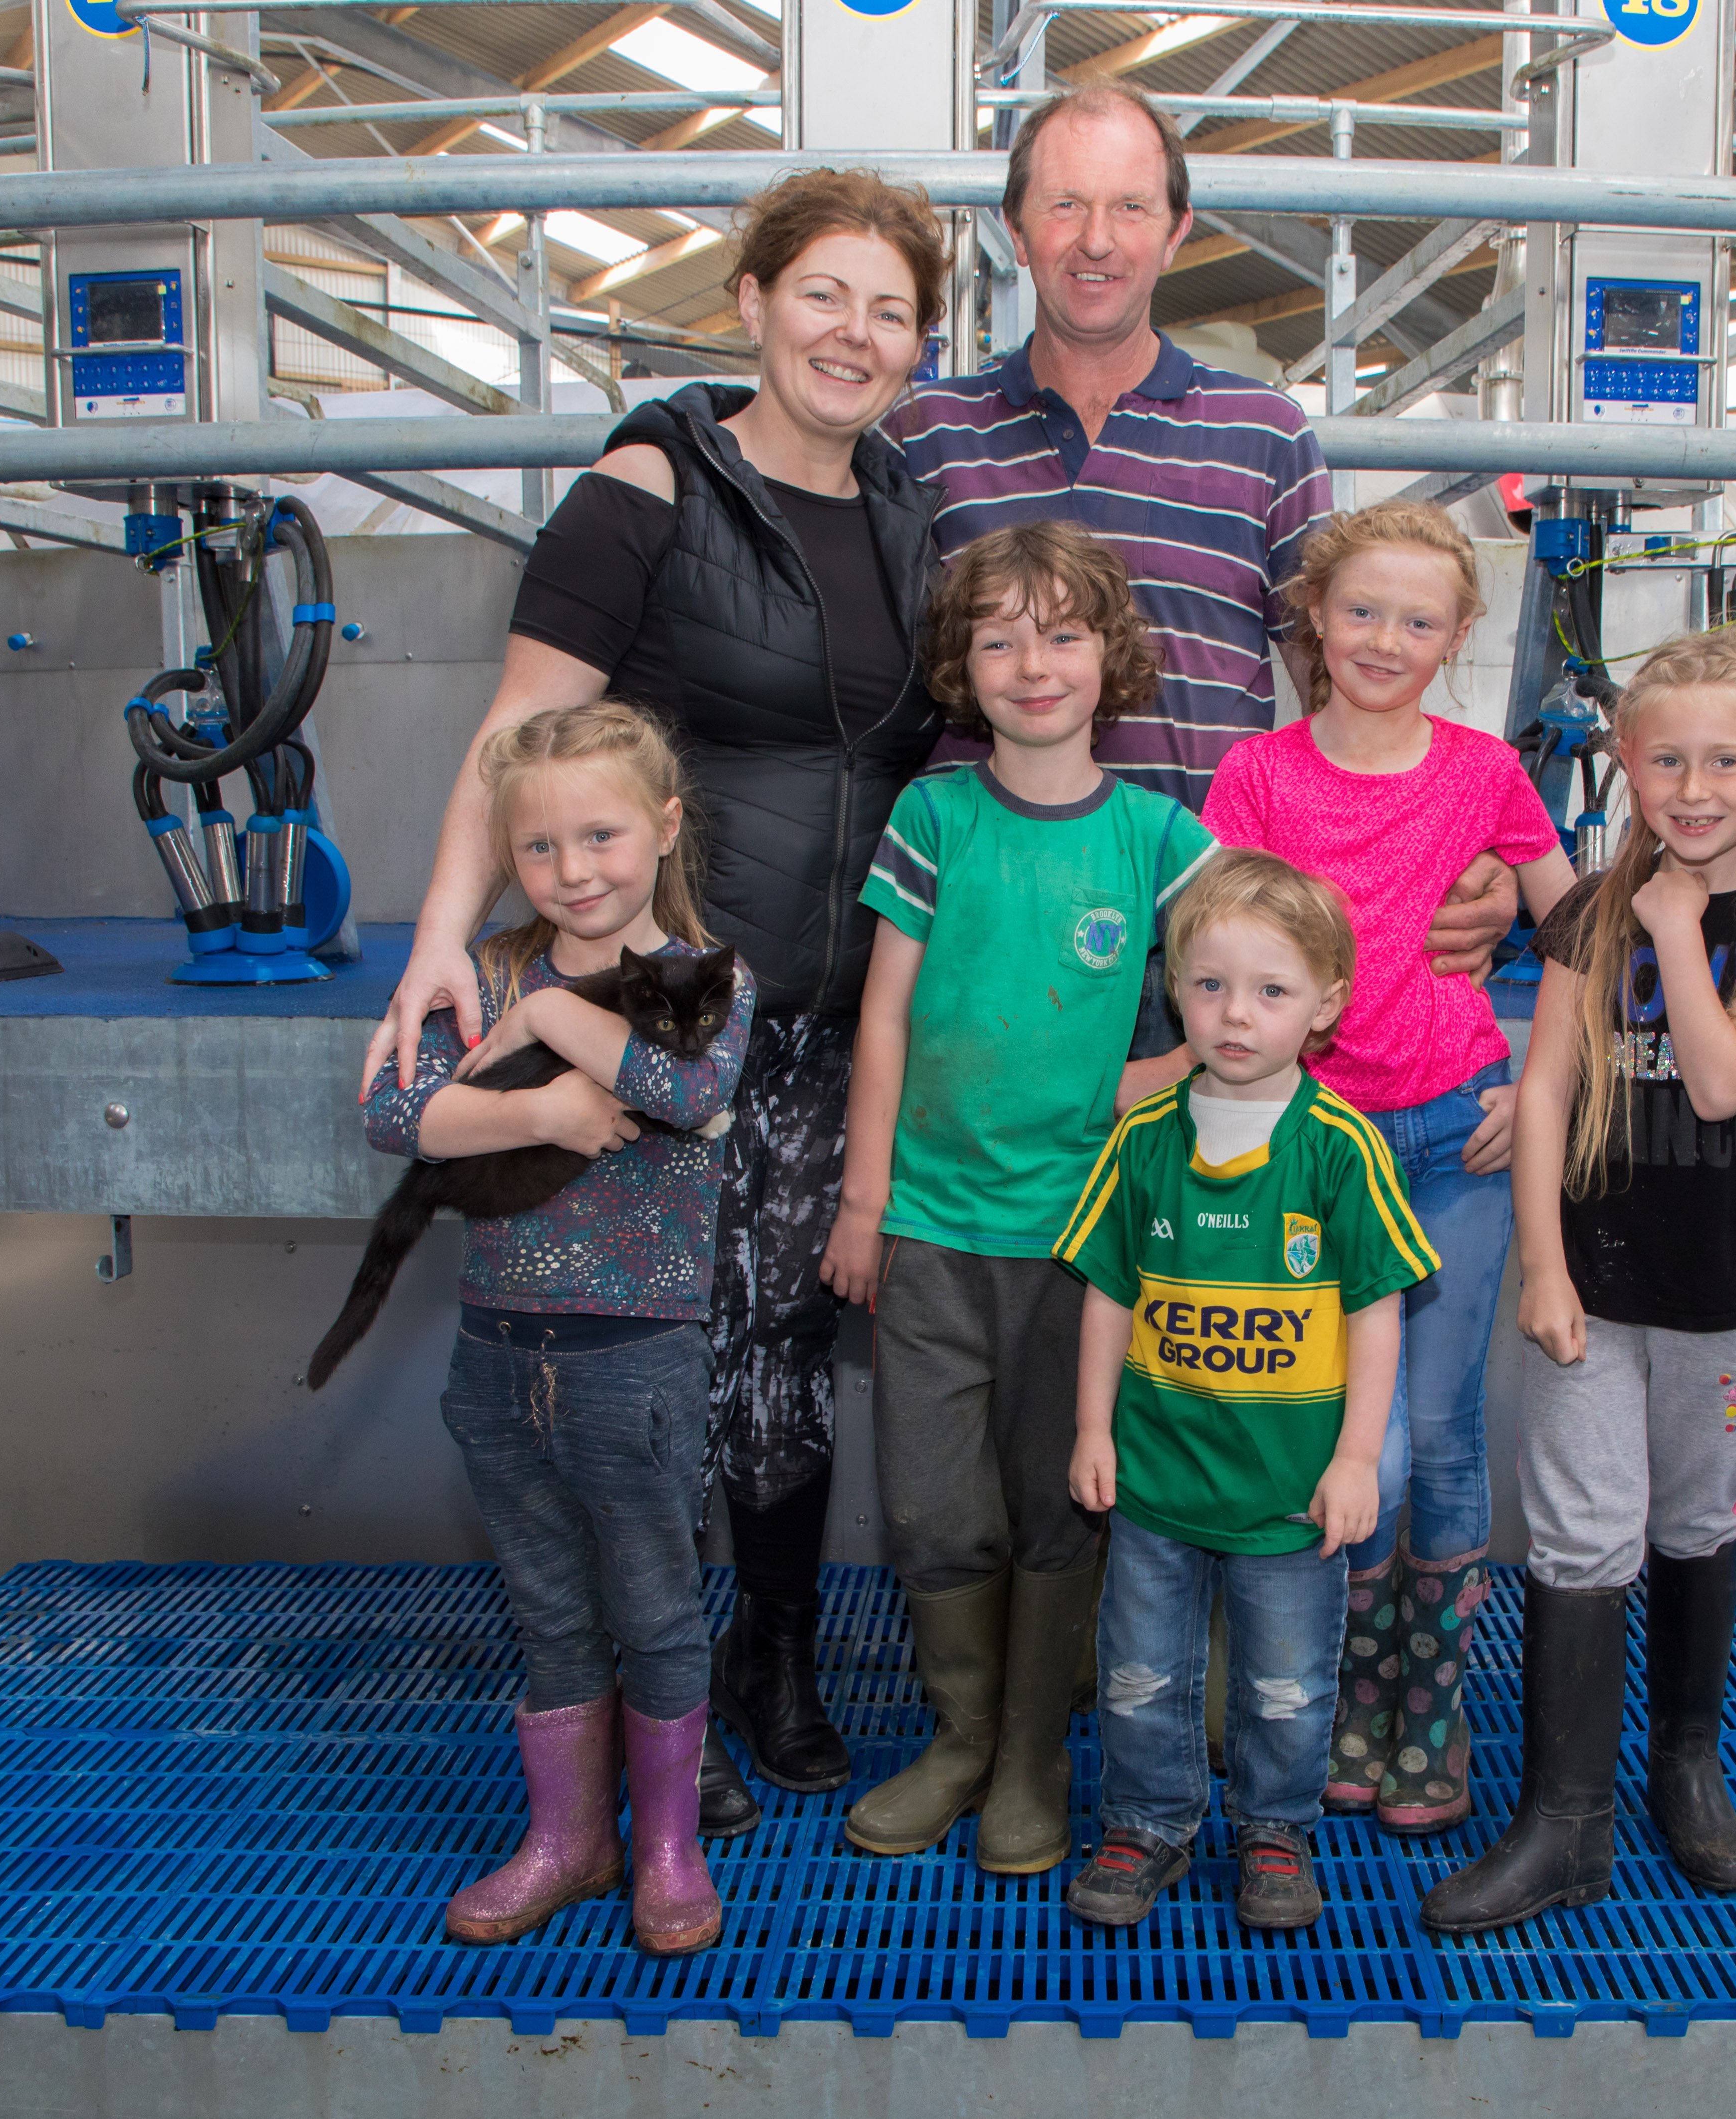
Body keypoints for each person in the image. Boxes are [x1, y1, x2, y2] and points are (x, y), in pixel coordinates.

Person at [365, 170, 951, 1831]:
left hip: (837, 1004)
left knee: (775, 1347)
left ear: (919, 344)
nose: (853, 333)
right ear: (752, 302)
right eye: (822, 294)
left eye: (890, 308)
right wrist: (438, 941)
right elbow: (519, 729)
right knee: (658, 1348)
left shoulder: (910, 511)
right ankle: (647, 1667)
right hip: (672, 1002)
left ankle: (762, 1657)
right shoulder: (648, 484)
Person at [885, 82, 1517, 972]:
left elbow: (1346, 691)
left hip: (1200, 939)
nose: (1096, 239)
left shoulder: (1265, 433)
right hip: (980, 932)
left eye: (1131, 207)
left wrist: (1449, 852)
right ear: (1017, 230)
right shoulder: (923, 433)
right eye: (1065, 205)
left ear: (1178, 229)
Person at [1419, 633, 1736, 1935]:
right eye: (1665, 757)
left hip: (1725, 1294)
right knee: (1579, 1531)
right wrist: (1541, 1263)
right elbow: (1543, 1085)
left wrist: (1676, 922)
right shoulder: (1589, 911)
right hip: (1591, 1285)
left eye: (1725, 758)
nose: (1693, 784)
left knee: (1697, 1522)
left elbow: (1722, 1082)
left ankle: (1687, 1762)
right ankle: (1565, 1820)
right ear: (1624, 762)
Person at [824, 521, 1214, 1873]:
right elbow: (884, 1016)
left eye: (1062, 632)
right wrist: (865, 1196)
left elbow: (1264, 973)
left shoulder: (1162, 834)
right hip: (933, 1223)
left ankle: (1036, 1754)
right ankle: (961, 1736)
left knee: (1063, 1495)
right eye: (998, 636)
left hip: (1086, 1239)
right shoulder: (934, 817)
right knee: (933, 1502)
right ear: (960, 665)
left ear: (1112, 654)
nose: (1032, 663)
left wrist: (1157, 1072)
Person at [1200, 500, 1575, 1837]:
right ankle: (1352, 1691)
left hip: (1453, 1133)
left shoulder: (1483, 772)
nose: (1386, 638)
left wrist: (1535, 1081)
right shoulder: (1257, 775)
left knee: (1439, 1427)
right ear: (1316, 616)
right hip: (1317, 1149)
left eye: (1420, 619)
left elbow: (1574, 928)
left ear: (1459, 636)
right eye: (1362, 610)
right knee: (1357, 1437)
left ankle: (1431, 1711)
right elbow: (1223, 939)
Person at [361, 700, 755, 1956]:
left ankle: (668, 1844)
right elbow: (392, 1112)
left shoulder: (711, 976)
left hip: (633, 1360)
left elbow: (686, 1089)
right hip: (496, 1352)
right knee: (545, 1601)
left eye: (602, 836)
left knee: (655, 1600)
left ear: (665, 826)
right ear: (504, 851)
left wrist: (540, 1025)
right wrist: (541, 1112)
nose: (574, 870)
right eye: (539, 849)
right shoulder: (472, 968)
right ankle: (566, 1838)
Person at [1055, 850, 1436, 1932]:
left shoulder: (1339, 1147)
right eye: (1210, 983)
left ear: (1326, 1004)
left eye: (1271, 990)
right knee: (1137, 1670)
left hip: (1287, 1495)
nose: (1235, 1013)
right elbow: (1106, 1293)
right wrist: (1094, 1426)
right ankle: (1147, 1819)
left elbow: (1378, 1308)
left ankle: (1275, 1828)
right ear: (1175, 988)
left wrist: (1357, 1456)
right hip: (1157, 1483)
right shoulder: (1142, 1139)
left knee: (1283, 1683)